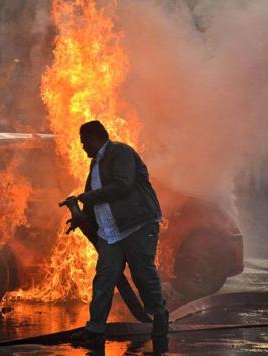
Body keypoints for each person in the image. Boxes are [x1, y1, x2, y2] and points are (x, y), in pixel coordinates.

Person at [69, 120, 168, 349]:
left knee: (143, 275)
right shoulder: (95, 165)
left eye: (84, 142)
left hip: (137, 225)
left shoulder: (121, 152)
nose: (82, 147)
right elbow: (94, 201)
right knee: (104, 278)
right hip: (111, 233)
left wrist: (86, 198)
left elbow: (122, 186)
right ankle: (95, 329)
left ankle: (160, 319)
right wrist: (80, 218)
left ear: (95, 138)